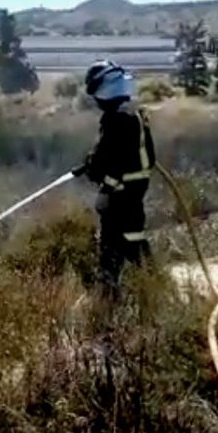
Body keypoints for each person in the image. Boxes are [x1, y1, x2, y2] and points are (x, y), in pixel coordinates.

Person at [71, 60, 156, 300]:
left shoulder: (114, 121)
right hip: (135, 190)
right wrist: (88, 166)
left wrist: (104, 186)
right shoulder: (135, 115)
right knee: (132, 237)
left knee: (112, 244)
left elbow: (107, 160)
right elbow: (142, 158)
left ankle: (109, 297)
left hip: (120, 193)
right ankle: (152, 288)